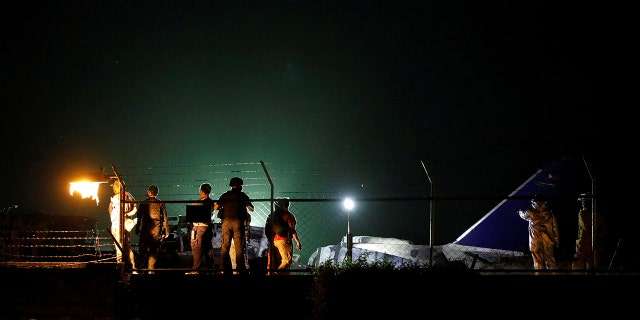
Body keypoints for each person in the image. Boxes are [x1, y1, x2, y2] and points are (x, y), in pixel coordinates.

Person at [214, 177, 254, 274]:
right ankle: (241, 269)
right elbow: (251, 208)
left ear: (231, 185)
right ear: (240, 186)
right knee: (239, 247)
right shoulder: (243, 195)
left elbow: (216, 207)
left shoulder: (225, 195)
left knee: (225, 246)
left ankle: (222, 269)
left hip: (226, 223)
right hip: (238, 223)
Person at [518, 194, 559, 271]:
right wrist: (556, 242)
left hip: (535, 243)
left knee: (537, 263)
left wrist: (520, 212)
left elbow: (523, 215)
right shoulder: (550, 214)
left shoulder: (530, 213)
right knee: (551, 263)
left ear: (534, 202)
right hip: (548, 242)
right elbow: (555, 229)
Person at [136, 185, 170, 273]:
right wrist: (166, 230)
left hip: (146, 228)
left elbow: (139, 217)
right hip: (156, 228)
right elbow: (165, 217)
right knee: (153, 250)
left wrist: (137, 228)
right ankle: (151, 270)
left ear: (149, 192)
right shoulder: (160, 203)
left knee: (142, 249)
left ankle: (140, 269)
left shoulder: (143, 203)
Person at [265, 197, 302, 275]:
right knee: (286, 261)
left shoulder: (271, 215)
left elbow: (267, 229)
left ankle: (273, 274)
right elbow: (292, 230)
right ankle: (276, 274)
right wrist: (297, 241)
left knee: (275, 263)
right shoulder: (288, 215)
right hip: (284, 241)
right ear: (286, 205)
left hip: (273, 241)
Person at [572, 192, 607, 270]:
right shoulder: (597, 214)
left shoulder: (582, 213)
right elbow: (603, 228)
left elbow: (584, 228)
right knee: (592, 267)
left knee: (578, 266)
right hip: (594, 244)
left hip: (583, 244)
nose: (582, 203)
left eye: (584, 201)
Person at [186, 183, 215, 274]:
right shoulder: (211, 202)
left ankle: (196, 268)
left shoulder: (197, 203)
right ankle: (211, 269)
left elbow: (192, 217)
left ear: (201, 191)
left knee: (196, 247)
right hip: (207, 227)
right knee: (207, 247)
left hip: (199, 227)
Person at [108, 179, 137, 270]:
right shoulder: (128, 196)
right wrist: (127, 214)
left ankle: (120, 268)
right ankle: (133, 268)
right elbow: (135, 209)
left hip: (117, 225)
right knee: (127, 247)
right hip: (127, 224)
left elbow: (111, 212)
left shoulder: (115, 198)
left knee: (118, 247)